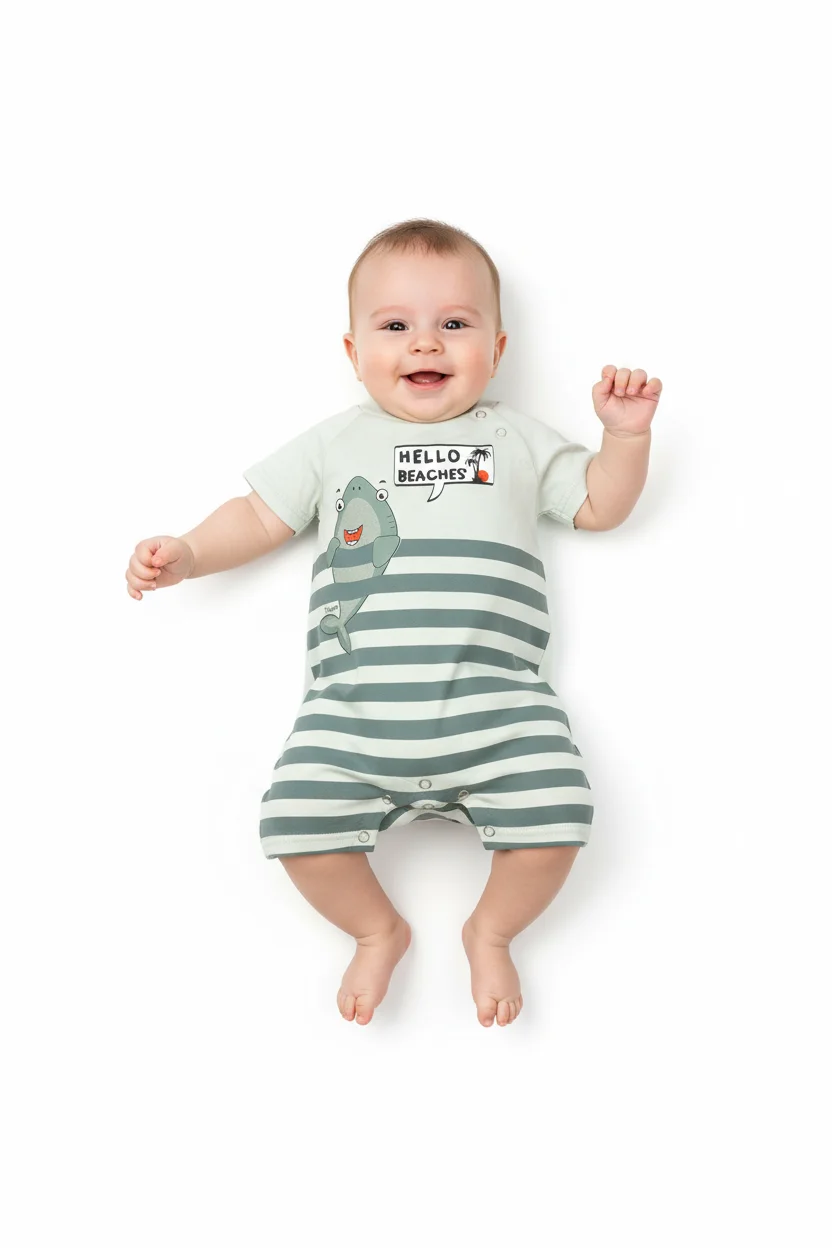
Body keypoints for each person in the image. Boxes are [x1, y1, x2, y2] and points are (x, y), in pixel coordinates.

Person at [125, 218, 661, 1028]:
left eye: (455, 323)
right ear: (353, 352)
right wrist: (192, 553)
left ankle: (492, 930)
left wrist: (623, 438)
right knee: (294, 824)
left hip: (501, 716)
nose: (426, 344)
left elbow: (598, 506)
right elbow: (260, 515)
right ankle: (377, 931)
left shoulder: (514, 439)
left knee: (559, 816)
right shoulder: (337, 443)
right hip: (352, 720)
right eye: (396, 326)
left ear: (497, 348)